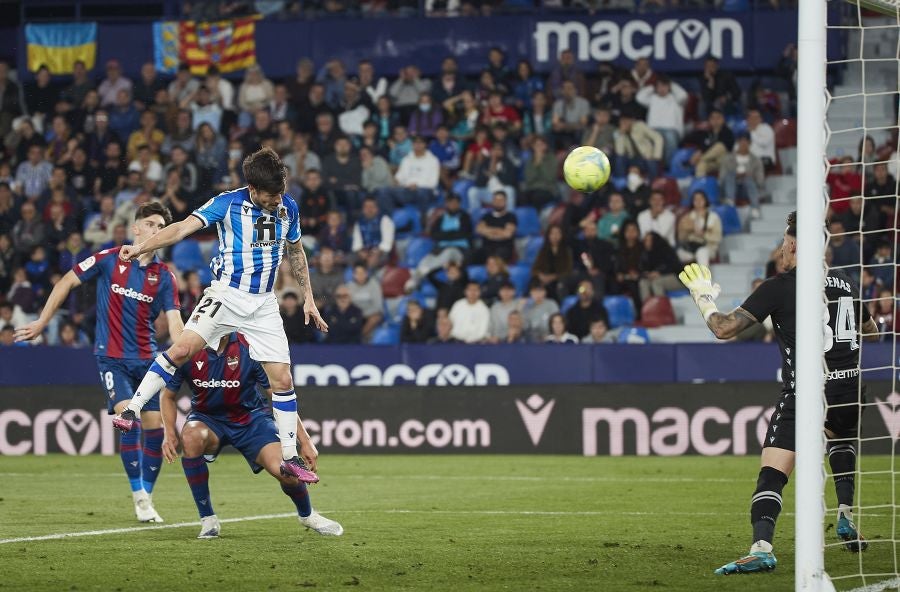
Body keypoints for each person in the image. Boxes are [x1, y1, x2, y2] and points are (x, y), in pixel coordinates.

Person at [109, 147, 328, 486]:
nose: (277, 201)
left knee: (282, 380)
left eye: (281, 193)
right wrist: (141, 248)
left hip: (263, 305)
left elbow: (295, 250)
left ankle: (289, 458)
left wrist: (309, 299)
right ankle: (132, 409)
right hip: (226, 295)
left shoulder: (289, 207)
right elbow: (182, 228)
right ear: (253, 190)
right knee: (181, 350)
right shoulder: (227, 203)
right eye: (271, 196)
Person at [678, 212, 877, 575]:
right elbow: (873, 331)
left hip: (809, 391)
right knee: (839, 435)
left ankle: (762, 547)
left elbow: (723, 329)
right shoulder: (847, 281)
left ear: (793, 245)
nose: (780, 251)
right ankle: (846, 515)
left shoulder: (781, 286)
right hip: (852, 388)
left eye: (783, 244)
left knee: (773, 471)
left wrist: (704, 298)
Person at [15, 202, 184, 523]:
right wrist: (41, 321)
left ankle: (146, 496)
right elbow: (66, 281)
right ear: (136, 229)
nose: (156, 230)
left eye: (162, 226)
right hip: (112, 358)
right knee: (127, 419)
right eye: (151, 224)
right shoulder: (110, 259)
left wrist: (187, 347)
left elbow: (175, 324)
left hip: (147, 360)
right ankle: (139, 495)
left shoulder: (165, 277)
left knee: (154, 427)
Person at [159, 332, 341, 538]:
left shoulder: (250, 347)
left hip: (252, 420)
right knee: (191, 436)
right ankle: (208, 519)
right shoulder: (188, 348)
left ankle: (307, 515)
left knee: (286, 472)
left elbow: (278, 396)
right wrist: (169, 432)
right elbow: (168, 395)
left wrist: (305, 441)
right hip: (208, 419)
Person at [719, 133, 765, 218]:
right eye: (741, 142)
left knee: (748, 178)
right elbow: (722, 179)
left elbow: (760, 182)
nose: (743, 145)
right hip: (729, 187)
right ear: (737, 143)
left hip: (748, 190)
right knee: (730, 175)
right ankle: (730, 202)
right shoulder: (727, 158)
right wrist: (735, 175)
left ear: (750, 143)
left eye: (746, 142)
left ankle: (755, 208)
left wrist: (748, 175)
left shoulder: (756, 160)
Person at [676, 191, 722, 267]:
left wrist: (703, 234)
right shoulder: (686, 218)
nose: (698, 201)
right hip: (690, 247)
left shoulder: (714, 217)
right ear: (692, 202)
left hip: (708, 247)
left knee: (702, 252)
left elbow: (717, 238)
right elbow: (681, 238)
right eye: (696, 199)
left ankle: (703, 278)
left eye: (701, 199)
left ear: (705, 200)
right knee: (678, 254)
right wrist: (689, 230)